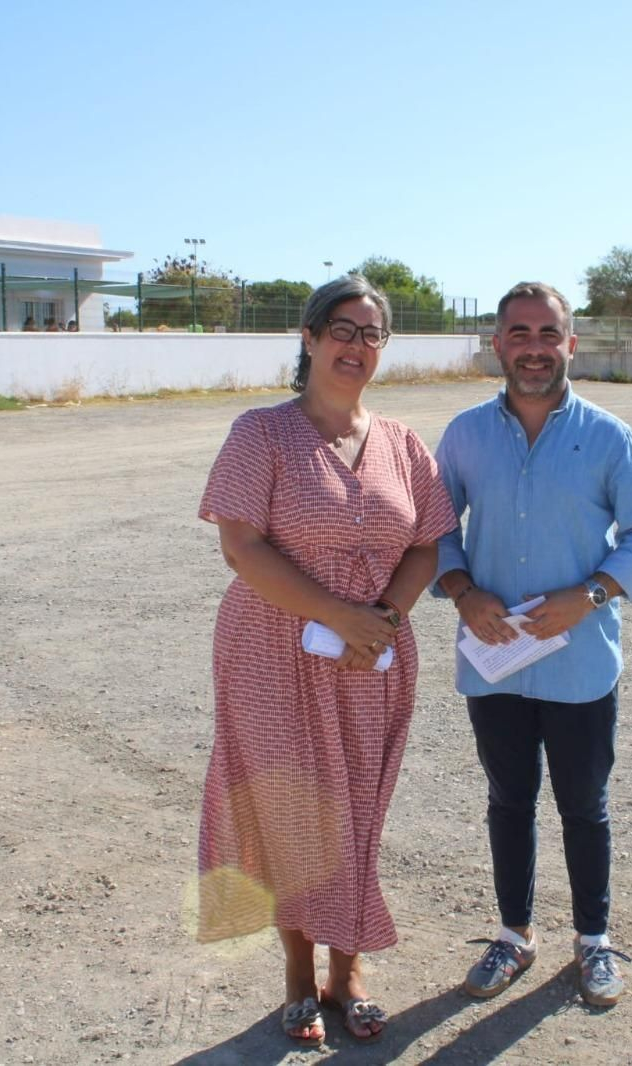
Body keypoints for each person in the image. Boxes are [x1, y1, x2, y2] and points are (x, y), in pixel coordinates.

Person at [196, 274, 456, 1046]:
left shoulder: (402, 443)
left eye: (372, 333)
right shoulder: (261, 434)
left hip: (369, 659)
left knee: (356, 812)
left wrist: (384, 620)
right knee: (290, 814)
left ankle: (349, 971)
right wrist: (340, 616)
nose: (356, 345)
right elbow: (241, 547)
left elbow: (428, 544)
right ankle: (297, 975)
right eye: (342, 329)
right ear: (308, 338)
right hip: (272, 653)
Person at [433, 281, 632, 1009]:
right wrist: (462, 590)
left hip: (579, 663)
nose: (533, 348)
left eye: (547, 334)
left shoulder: (608, 436)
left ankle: (593, 941)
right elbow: (433, 528)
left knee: (583, 806)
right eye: (519, 333)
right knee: (509, 801)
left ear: (571, 344)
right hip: (496, 659)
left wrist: (590, 594)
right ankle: (514, 934)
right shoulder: (465, 435)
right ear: (498, 344)